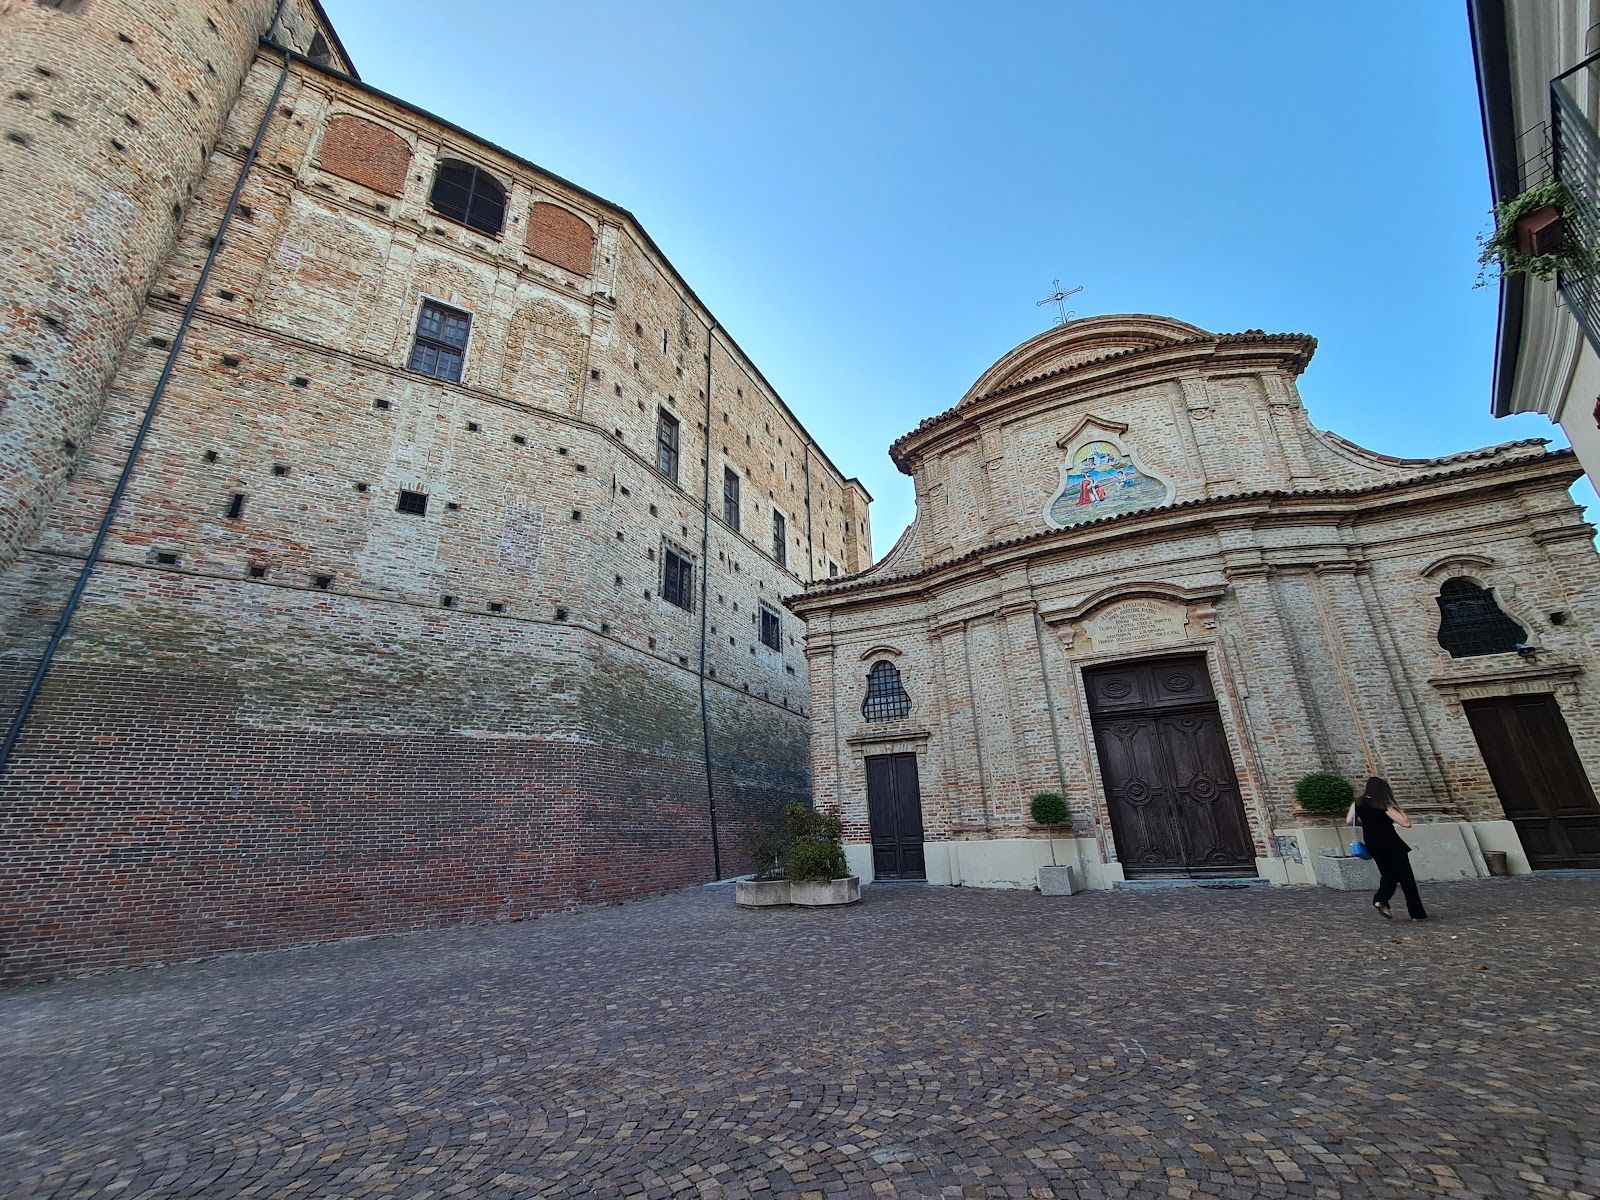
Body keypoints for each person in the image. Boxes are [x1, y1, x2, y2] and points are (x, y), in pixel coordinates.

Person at [1346, 776, 1428, 921]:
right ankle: (1416, 913)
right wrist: (1399, 809)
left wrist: (1367, 824)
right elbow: (1406, 823)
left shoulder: (1357, 802)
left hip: (1372, 843)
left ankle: (1381, 899)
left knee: (1388, 874)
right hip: (1391, 843)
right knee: (1406, 878)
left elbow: (1350, 821)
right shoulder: (1383, 803)